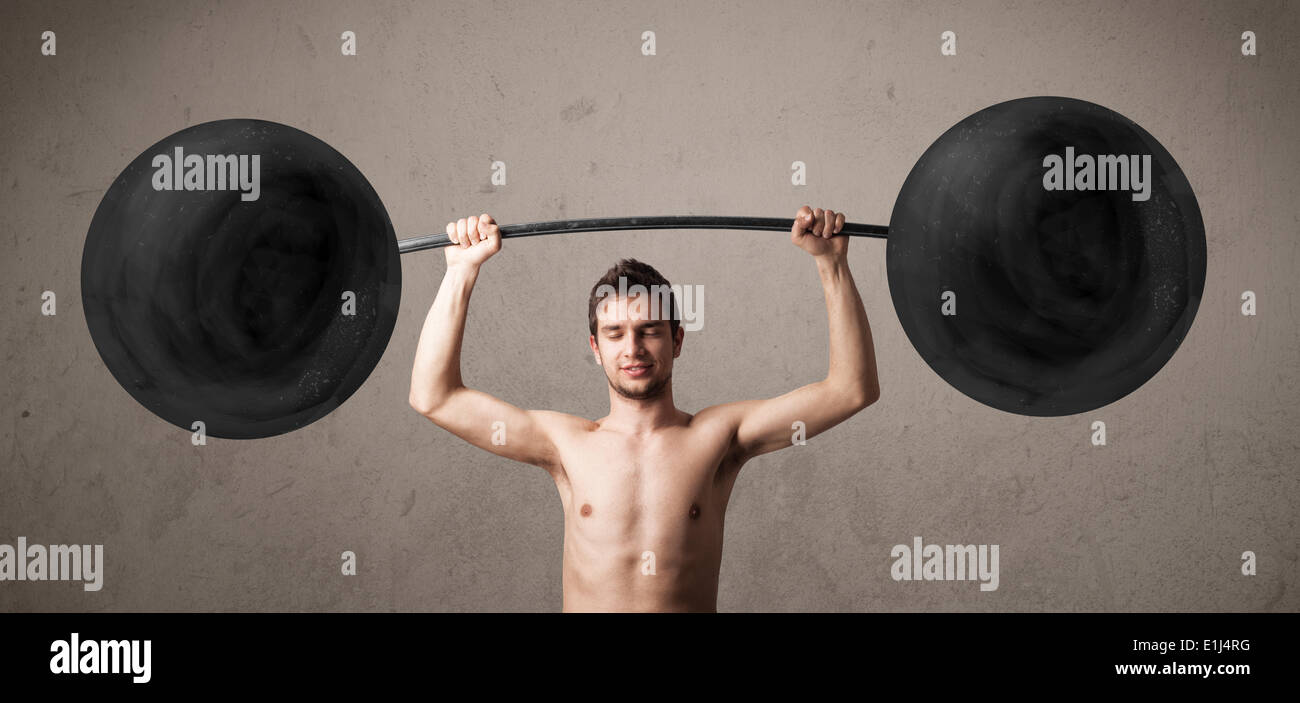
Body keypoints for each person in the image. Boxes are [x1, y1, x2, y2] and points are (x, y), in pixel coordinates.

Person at [409, 205, 880, 611]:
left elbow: (850, 389)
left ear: (677, 339)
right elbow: (435, 396)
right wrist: (461, 271)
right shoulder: (564, 442)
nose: (631, 348)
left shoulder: (719, 437)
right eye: (614, 334)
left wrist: (831, 265)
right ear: (595, 347)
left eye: (649, 330)